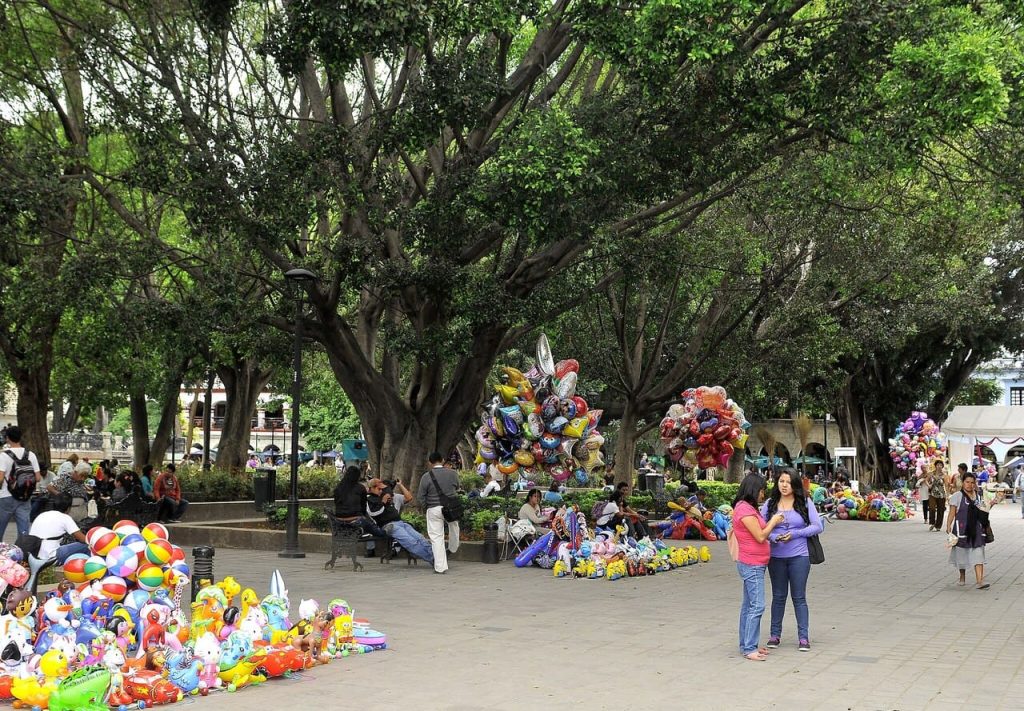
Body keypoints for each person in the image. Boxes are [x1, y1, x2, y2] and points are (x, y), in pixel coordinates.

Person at [760, 470, 822, 652]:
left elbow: (817, 526)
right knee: (778, 596)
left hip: (799, 556)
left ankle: (803, 637)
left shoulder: (804, 502)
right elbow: (760, 528)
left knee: (799, 597)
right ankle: (774, 635)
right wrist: (773, 536)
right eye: (781, 481)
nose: (784, 485)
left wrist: (795, 534)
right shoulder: (770, 504)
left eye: (788, 482)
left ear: (795, 484)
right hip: (776, 557)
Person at [732, 473, 786, 662]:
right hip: (751, 564)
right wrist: (774, 521)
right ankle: (749, 648)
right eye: (762, 490)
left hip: (755, 563)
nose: (763, 494)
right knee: (757, 606)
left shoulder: (747, 508)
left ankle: (747, 644)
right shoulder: (744, 510)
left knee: (748, 606)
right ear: (754, 490)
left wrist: (775, 536)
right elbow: (760, 536)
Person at [365, 478, 433, 564]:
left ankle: (437, 556)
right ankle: (433, 559)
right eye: (379, 489)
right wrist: (383, 502)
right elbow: (373, 513)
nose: (381, 491)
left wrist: (398, 485)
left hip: (400, 522)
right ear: (372, 488)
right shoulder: (369, 499)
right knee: (411, 542)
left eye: (382, 489)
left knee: (420, 538)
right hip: (389, 525)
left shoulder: (382, 494)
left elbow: (407, 497)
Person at [416, 451, 460, 575]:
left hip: (433, 508)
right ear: (443, 460)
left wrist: (427, 507)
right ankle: (453, 547)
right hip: (451, 508)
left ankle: (440, 567)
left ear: (430, 462)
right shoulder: (453, 473)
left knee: (436, 537)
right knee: (454, 527)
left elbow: (420, 496)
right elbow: (457, 487)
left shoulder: (426, 476)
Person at [945, 471, 989, 589]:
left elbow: (984, 510)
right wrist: (948, 526)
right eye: (967, 482)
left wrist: (993, 502)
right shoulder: (957, 496)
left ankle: (980, 581)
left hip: (977, 529)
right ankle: (962, 576)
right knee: (961, 554)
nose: (969, 485)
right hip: (962, 529)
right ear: (963, 482)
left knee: (978, 553)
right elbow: (952, 513)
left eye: (972, 482)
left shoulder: (979, 496)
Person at [0, 426, 42, 539]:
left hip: (5, 496)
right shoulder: (30, 455)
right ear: (20, 437)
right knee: (24, 531)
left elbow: (0, 479)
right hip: (24, 496)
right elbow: (38, 478)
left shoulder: (3, 456)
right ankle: (22, 549)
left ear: (7, 438)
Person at [28, 495, 89, 565]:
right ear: (68, 508)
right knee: (87, 546)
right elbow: (83, 539)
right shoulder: (65, 518)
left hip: (33, 555)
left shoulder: (41, 515)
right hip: (51, 557)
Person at [927, 462, 947, 532]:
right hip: (932, 493)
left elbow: (946, 485)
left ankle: (938, 526)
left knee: (940, 510)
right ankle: (932, 523)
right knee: (932, 508)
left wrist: (947, 495)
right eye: (938, 465)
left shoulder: (944, 475)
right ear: (935, 466)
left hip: (941, 494)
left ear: (942, 466)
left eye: (941, 465)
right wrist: (929, 485)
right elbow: (926, 480)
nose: (939, 466)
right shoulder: (931, 473)